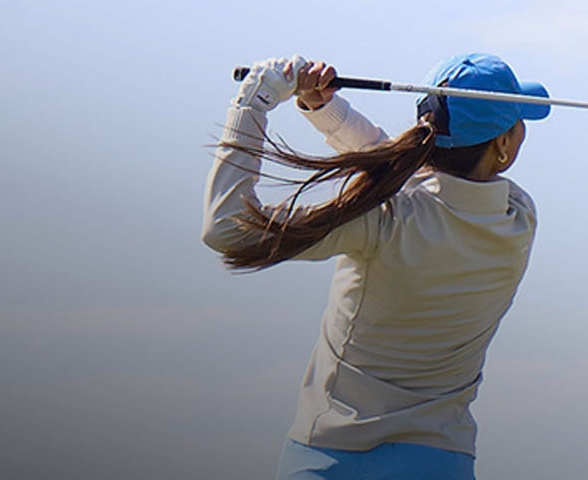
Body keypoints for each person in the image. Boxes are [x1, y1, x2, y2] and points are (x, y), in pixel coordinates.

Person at [203, 52, 551, 480]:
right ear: (502, 145)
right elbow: (407, 173)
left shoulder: (382, 217)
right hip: (438, 461)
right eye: (518, 125)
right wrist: (325, 108)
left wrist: (253, 104)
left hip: (327, 459)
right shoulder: (518, 218)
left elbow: (228, 230)